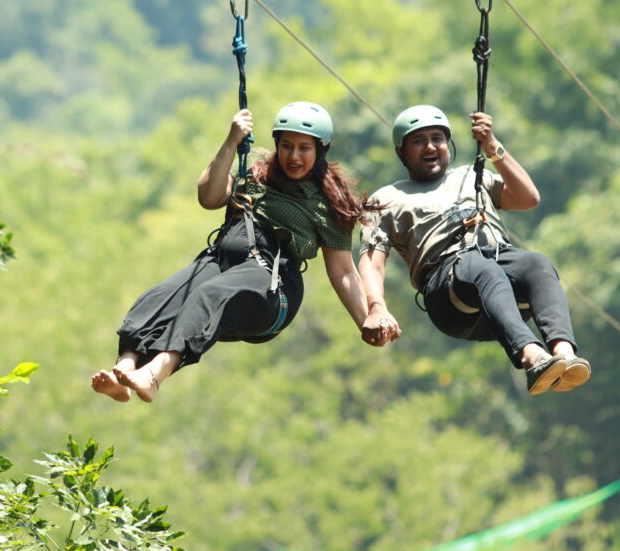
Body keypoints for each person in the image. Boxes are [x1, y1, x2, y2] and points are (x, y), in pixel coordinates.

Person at [92, 102, 399, 402]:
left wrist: (366, 319)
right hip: (221, 262)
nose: (294, 156)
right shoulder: (255, 174)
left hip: (272, 283)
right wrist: (231, 141)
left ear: (320, 150)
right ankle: (126, 369)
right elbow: (209, 197)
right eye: (287, 146)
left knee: (209, 295)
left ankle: (155, 375)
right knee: (159, 297)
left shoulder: (328, 203)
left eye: (304, 148)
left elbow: (343, 270)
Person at [357, 104, 591, 395]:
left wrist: (493, 147)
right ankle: (532, 357)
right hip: (448, 294)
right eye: (418, 141)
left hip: (498, 271)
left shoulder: (471, 176)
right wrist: (376, 306)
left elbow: (527, 198)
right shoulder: (387, 199)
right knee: (480, 268)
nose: (430, 146)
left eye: (437, 139)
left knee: (537, 264)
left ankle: (563, 354)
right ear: (401, 152)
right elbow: (371, 261)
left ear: (448, 144)